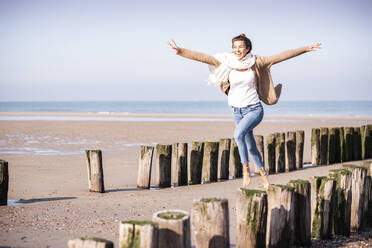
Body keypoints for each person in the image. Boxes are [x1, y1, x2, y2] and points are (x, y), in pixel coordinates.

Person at [168, 34, 321, 189]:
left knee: (238, 134)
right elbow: (202, 57)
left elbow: (282, 55)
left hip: (254, 109)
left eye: (241, 46)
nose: (237, 50)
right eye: (235, 47)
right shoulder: (226, 62)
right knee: (250, 145)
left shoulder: (257, 61)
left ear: (248, 48)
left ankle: (246, 171)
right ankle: (263, 174)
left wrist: (306, 49)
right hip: (237, 111)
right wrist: (180, 50)